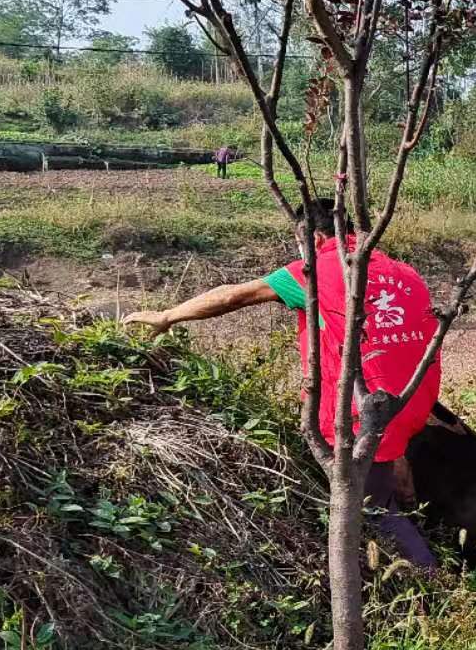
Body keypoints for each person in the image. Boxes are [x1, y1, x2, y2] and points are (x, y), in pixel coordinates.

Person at [122, 198, 442, 567]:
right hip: (413, 399)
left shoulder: (317, 270)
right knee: (387, 466)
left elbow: (233, 295)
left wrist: (167, 316)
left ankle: (433, 585)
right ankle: (409, 501)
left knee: (372, 507)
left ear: (316, 237)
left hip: (362, 409)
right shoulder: (404, 271)